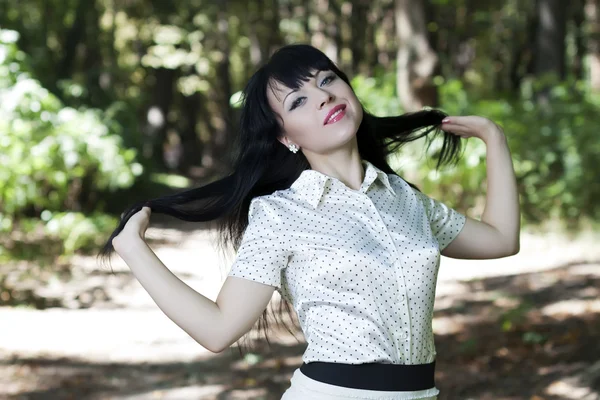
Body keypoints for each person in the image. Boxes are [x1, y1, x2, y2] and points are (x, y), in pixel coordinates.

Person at [99, 44, 520, 400]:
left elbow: (501, 239)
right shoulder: (281, 215)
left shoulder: (406, 200)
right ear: (286, 137)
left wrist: (494, 139)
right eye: (297, 101)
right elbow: (218, 329)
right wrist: (133, 249)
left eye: (327, 80)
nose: (322, 96)